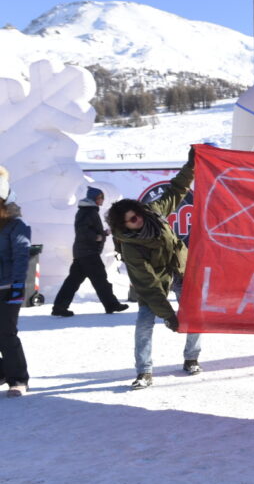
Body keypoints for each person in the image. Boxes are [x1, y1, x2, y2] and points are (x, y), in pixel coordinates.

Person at [106, 149, 201, 389]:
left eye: (137, 214)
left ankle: (192, 357)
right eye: (132, 219)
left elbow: (177, 189)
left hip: (179, 267)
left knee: (194, 314)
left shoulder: (153, 213)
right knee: (145, 323)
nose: (138, 219)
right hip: (155, 280)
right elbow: (149, 286)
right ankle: (144, 372)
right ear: (124, 225)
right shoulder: (131, 248)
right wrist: (170, 317)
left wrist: (192, 164)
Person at [51, 187, 130, 317]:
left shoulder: (87, 211)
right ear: (95, 198)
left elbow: (87, 230)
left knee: (72, 282)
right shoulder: (88, 212)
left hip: (83, 252)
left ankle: (59, 307)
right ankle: (111, 304)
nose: (102, 200)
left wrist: (104, 233)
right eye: (101, 197)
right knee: (100, 279)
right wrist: (96, 237)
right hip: (88, 252)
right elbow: (83, 231)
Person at [0, 166, 31, 397]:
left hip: (8, 287)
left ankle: (18, 379)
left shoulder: (17, 226)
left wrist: (18, 287)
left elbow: (22, 256)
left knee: (5, 333)